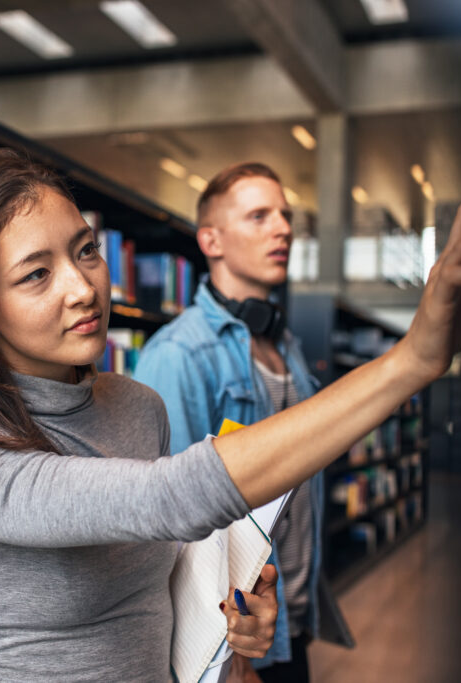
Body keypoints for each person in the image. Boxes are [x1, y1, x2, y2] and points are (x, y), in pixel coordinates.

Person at [0, 148, 461, 682]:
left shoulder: (135, 406)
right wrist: (414, 360)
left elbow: (171, 571)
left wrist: (232, 619)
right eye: (36, 275)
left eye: (86, 251)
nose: (82, 286)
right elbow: (171, 498)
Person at [134, 162, 342, 681]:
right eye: (259, 216)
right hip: (237, 650)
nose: (283, 229)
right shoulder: (180, 354)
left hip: (290, 621)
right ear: (211, 240)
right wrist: (236, 660)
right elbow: (183, 531)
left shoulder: (286, 346)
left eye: (285, 216)